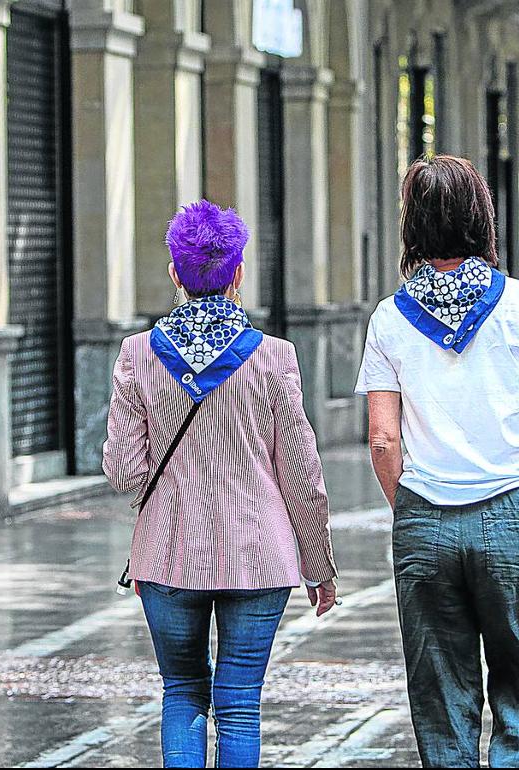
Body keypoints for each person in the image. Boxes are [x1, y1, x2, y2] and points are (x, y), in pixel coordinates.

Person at [355, 155, 519, 768]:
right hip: (518, 515)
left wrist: (415, 510)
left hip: (427, 521)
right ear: (481, 218)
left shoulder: (389, 318)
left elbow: (383, 440)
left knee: (441, 693)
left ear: (411, 224)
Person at [102, 201, 339, 768]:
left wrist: (164, 499)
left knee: (182, 692)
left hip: (167, 557)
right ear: (237, 273)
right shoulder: (275, 358)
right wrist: (319, 567)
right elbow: (301, 474)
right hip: (259, 557)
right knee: (239, 706)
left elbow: (123, 467)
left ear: (173, 272)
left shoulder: (137, 355)